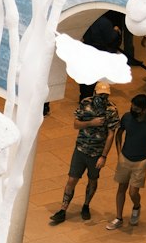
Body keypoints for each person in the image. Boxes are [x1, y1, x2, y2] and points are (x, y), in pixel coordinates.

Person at [49, 80, 119, 224]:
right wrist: (91, 123)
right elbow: (76, 124)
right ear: (95, 93)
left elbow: (111, 134)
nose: (103, 98)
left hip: (97, 153)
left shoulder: (111, 110)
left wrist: (104, 156)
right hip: (81, 149)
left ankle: (86, 205)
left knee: (92, 180)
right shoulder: (85, 103)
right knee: (71, 180)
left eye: (106, 95)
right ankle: (63, 209)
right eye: (100, 94)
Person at [105, 94, 146, 230]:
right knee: (121, 188)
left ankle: (136, 206)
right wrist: (119, 153)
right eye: (132, 106)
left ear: (144, 110)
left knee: (133, 192)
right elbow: (119, 134)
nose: (133, 110)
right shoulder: (127, 117)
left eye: (136, 108)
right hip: (125, 158)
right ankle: (118, 218)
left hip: (141, 162)